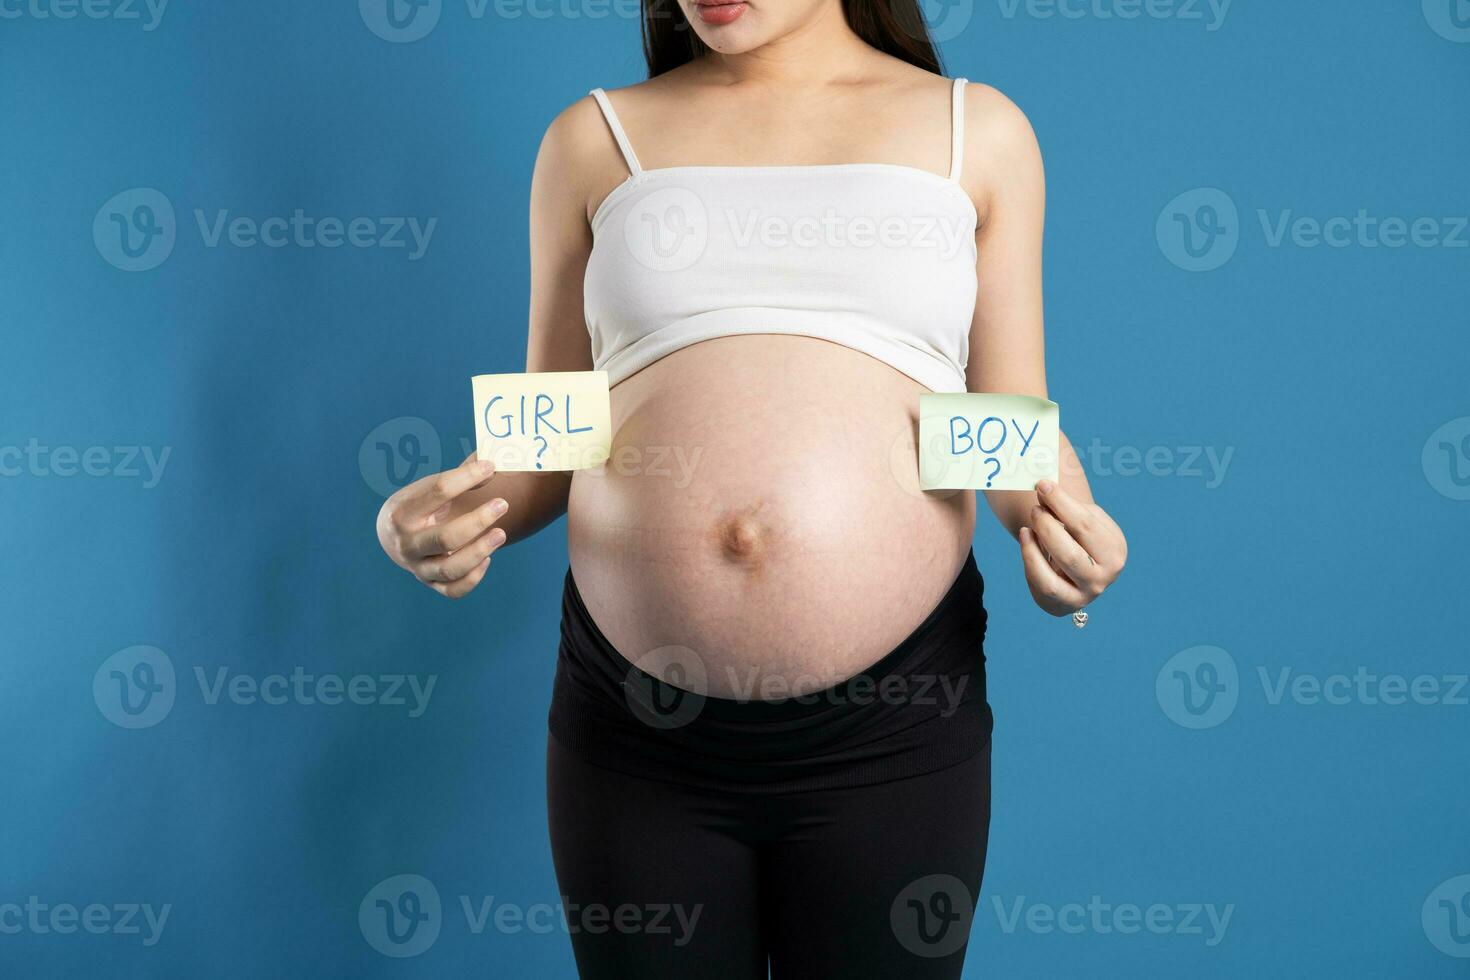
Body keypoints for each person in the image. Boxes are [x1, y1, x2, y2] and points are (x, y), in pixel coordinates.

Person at [376, 0, 1127, 974]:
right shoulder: (591, 138)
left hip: (891, 726)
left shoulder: (975, 131)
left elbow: (1008, 426)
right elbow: (548, 436)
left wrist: (1063, 532)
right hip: (638, 732)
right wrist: (439, 512)